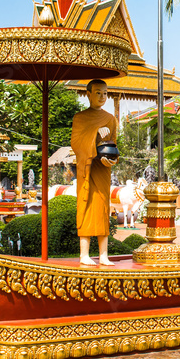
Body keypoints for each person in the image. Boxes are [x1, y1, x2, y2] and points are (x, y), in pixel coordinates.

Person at [70, 79, 118, 266]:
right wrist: (96, 132)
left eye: (105, 93)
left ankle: (104, 255)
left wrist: (112, 159)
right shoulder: (80, 118)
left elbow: (113, 145)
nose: (102, 97)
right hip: (87, 170)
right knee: (87, 207)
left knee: (103, 209)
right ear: (88, 94)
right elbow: (76, 143)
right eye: (98, 93)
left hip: (102, 169)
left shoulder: (110, 118)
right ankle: (84, 254)